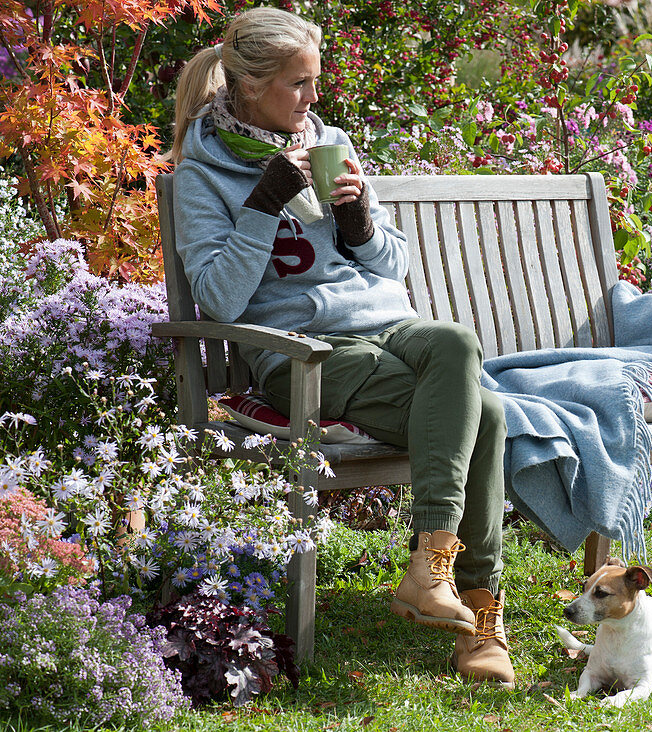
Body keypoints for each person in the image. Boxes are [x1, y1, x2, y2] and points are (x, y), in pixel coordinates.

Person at [166, 7, 513, 687]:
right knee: (491, 419)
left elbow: (393, 266)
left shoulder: (330, 139)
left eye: (315, 81)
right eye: (299, 83)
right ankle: (478, 616)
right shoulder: (203, 174)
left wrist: (358, 223)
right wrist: (265, 203)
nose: (314, 98)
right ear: (248, 86)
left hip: (385, 324)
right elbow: (222, 297)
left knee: (457, 341)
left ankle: (430, 569)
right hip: (300, 352)